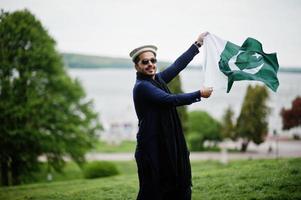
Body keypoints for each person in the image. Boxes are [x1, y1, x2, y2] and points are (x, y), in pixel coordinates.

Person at [130, 32, 213, 200]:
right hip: (151, 149)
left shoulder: (157, 80)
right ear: (137, 66)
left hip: (165, 144)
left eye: (153, 60)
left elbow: (178, 65)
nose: (150, 64)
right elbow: (169, 100)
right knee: (153, 192)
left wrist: (197, 44)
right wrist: (199, 93)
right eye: (145, 62)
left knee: (175, 186)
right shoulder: (142, 86)